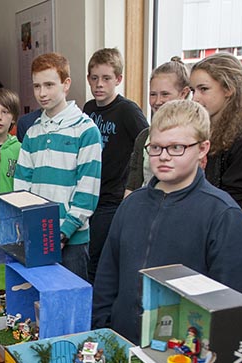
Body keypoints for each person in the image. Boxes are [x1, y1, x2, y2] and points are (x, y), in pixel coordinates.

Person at [92, 100, 242, 343]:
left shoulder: (223, 214)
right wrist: (102, 330)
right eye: (156, 147)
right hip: (121, 341)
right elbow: (107, 276)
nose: (163, 157)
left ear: (202, 148)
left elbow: (231, 304)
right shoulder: (131, 205)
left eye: (176, 147)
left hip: (182, 354)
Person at [14, 52, 102, 282]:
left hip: (72, 239)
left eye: (49, 85)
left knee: (71, 306)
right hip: (37, 235)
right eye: (37, 86)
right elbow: (22, 185)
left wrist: (62, 233)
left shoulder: (86, 130)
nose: (42, 93)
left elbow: (87, 191)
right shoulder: (32, 132)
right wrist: (27, 227)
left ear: (66, 84)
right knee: (39, 302)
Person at [81, 48, 149, 282]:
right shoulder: (88, 108)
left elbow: (146, 143)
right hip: (89, 193)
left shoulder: (127, 110)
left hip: (113, 198)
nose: (99, 84)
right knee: (86, 255)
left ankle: (95, 314)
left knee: (97, 260)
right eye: (94, 78)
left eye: (106, 78)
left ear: (118, 79)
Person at [191, 53, 242, 207]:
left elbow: (235, 201)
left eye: (203, 89)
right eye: (193, 91)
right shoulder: (201, 127)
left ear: (228, 90)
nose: (195, 98)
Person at [126, 57, 191, 194]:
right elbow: (132, 186)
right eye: (153, 94)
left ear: (183, 93)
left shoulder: (194, 137)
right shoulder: (144, 136)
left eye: (165, 94)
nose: (157, 101)